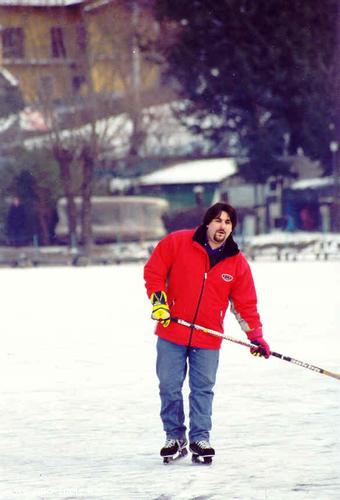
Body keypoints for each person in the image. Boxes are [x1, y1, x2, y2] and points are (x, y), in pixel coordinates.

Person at [144, 202, 270, 464]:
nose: (222, 226)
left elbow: (245, 304)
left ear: (232, 227)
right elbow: (154, 272)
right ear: (207, 223)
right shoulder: (178, 242)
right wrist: (160, 304)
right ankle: (174, 437)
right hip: (172, 331)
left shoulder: (237, 262)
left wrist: (255, 336)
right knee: (169, 386)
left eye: (227, 222)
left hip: (208, 336)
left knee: (202, 389)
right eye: (217, 220)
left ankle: (200, 438)